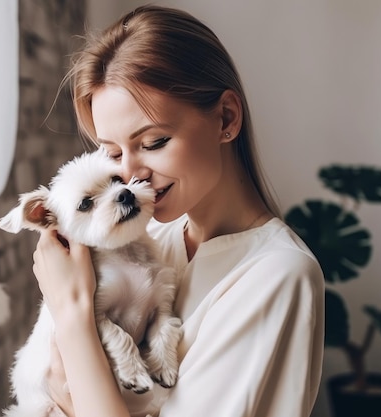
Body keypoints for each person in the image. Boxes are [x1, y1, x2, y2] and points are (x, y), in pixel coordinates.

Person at [31, 5, 324, 417]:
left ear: (226, 118)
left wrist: (71, 309)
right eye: (113, 153)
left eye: (152, 143)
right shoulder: (150, 242)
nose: (130, 176)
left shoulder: (276, 276)